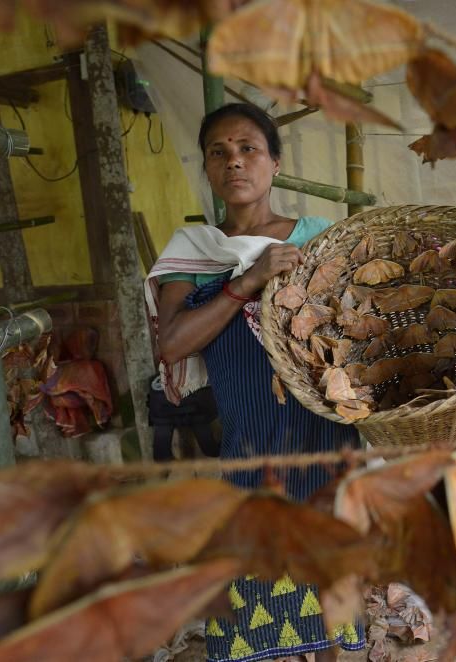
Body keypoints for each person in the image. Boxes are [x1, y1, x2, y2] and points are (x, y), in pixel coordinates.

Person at [145, 103, 364, 662]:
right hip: (248, 437)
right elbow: (171, 343)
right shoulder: (194, 251)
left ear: (274, 161)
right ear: (209, 168)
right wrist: (249, 280)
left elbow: (360, 327)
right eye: (218, 152)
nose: (234, 162)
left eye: (248, 149)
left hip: (321, 431)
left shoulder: (320, 237)